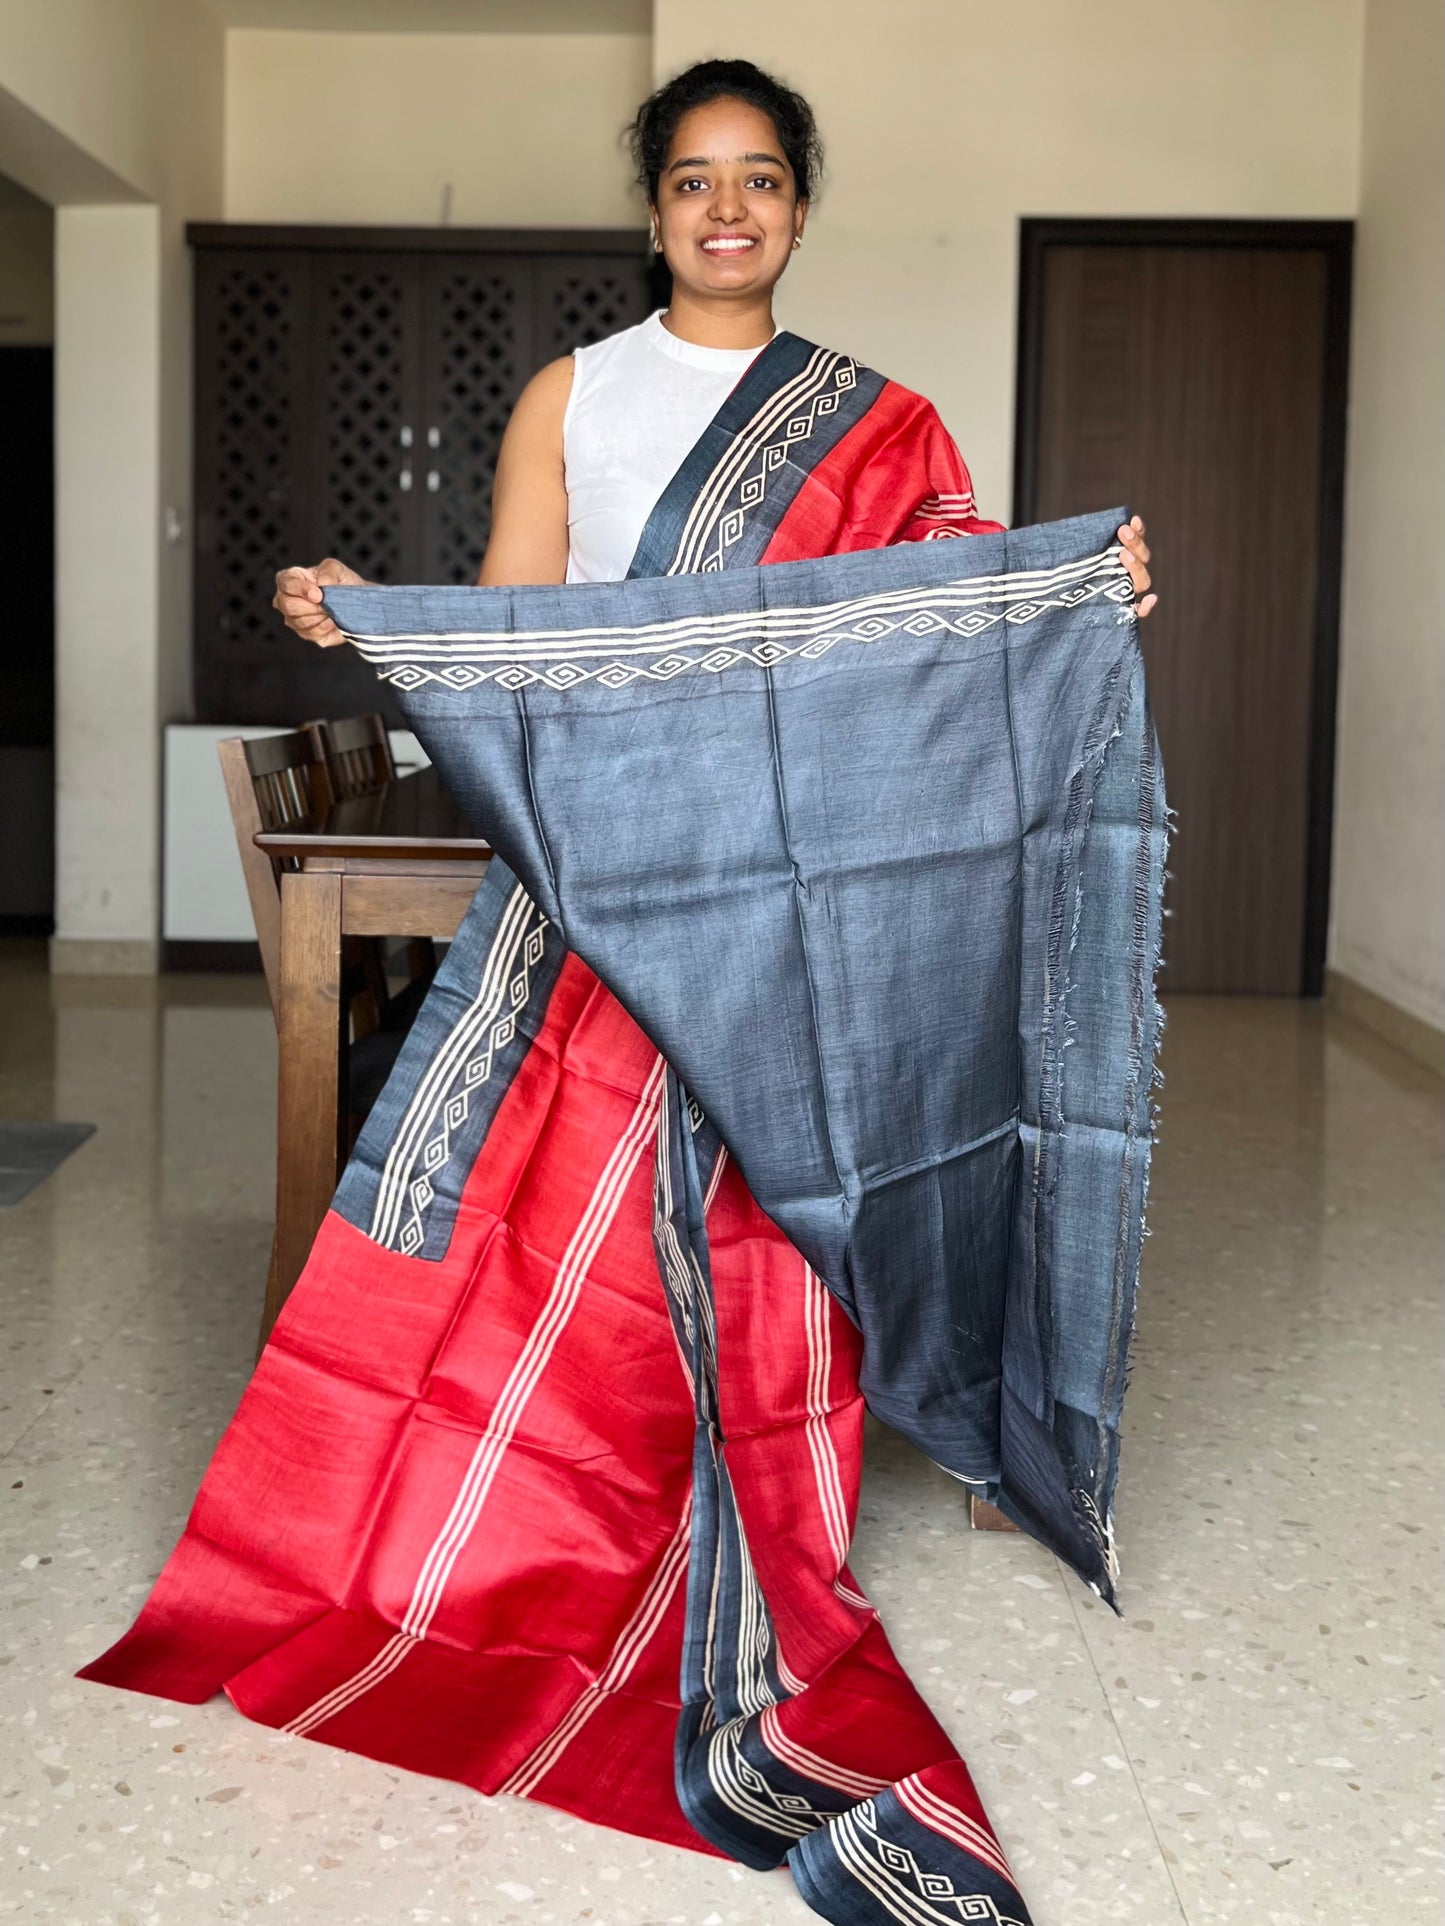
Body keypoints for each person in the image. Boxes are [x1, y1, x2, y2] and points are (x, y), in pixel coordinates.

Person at [90, 62, 1158, 1926]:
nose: (725, 208)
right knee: (537, 1217)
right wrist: (380, 616)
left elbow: (937, 626)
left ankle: (736, 1525)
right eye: (691, 180)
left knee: (755, 1225)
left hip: (786, 913)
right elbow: (516, 643)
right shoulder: (569, 397)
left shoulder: (880, 422)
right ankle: (516, 1531)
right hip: (595, 882)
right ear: (651, 208)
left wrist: (1078, 595)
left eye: (758, 180)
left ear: (799, 210)